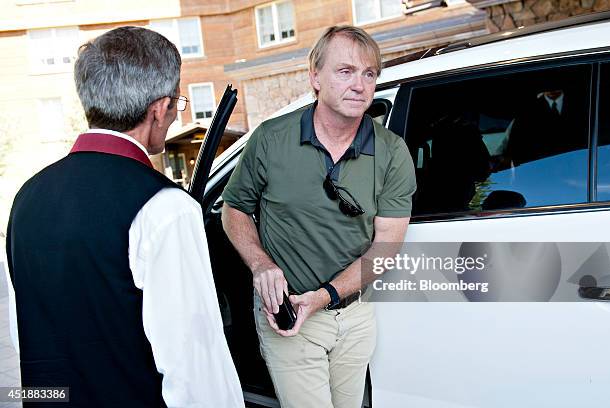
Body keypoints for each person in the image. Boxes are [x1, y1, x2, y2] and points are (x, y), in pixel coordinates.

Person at [5, 26, 243, 407]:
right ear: (159, 108)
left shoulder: (27, 197)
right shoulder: (165, 206)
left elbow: (26, 338)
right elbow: (194, 362)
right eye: (176, 106)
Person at [221, 26, 416, 408]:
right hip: (290, 316)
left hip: (356, 317)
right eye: (345, 71)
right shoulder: (272, 139)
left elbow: (385, 248)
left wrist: (326, 295)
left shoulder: (392, 152)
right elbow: (234, 209)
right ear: (315, 76)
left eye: (369, 74)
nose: (359, 85)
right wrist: (261, 265)